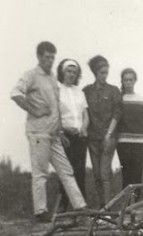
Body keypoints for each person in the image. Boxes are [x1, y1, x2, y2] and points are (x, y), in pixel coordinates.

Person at [10, 41, 87, 222]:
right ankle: (41, 212)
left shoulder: (52, 77)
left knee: (67, 170)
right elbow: (15, 93)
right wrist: (34, 110)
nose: (50, 61)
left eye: (52, 57)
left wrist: (59, 131)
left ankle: (80, 206)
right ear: (39, 57)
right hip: (38, 133)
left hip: (54, 134)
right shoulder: (31, 75)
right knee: (41, 172)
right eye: (47, 57)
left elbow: (56, 108)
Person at [83, 55, 122, 208]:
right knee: (97, 175)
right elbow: (83, 111)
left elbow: (117, 112)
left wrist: (109, 134)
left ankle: (107, 207)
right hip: (92, 138)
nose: (104, 76)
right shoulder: (87, 91)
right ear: (95, 72)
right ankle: (102, 206)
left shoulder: (113, 91)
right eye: (101, 73)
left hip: (109, 137)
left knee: (104, 173)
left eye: (106, 72)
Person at [57, 59, 89, 212]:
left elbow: (85, 114)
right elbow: (55, 114)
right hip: (65, 137)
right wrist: (61, 132)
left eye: (74, 72)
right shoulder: (57, 90)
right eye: (69, 71)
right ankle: (63, 206)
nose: (71, 75)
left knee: (80, 172)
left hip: (80, 137)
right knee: (65, 172)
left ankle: (81, 208)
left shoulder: (79, 92)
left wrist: (84, 128)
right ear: (63, 72)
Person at [116, 68, 143, 199]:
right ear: (122, 81)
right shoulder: (118, 100)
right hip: (123, 142)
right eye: (125, 80)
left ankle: (136, 203)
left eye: (130, 80)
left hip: (140, 143)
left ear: (135, 81)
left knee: (137, 174)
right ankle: (126, 207)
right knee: (126, 174)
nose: (128, 83)